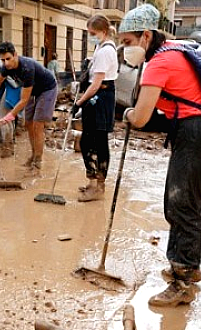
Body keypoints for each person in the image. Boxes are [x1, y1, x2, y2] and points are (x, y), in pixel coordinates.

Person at [120, 4, 201, 307]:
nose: (125, 49)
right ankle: (182, 265)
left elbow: (140, 118)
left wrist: (127, 113)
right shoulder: (174, 52)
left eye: (128, 42)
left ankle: (184, 281)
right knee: (177, 203)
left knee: (182, 208)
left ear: (146, 36)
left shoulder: (159, 63)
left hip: (195, 136)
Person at [0, 41, 58, 170]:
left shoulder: (27, 68)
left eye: (8, 58)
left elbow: (23, 100)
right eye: (3, 60)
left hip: (47, 89)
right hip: (31, 90)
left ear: (15, 55)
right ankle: (33, 155)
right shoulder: (5, 67)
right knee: (28, 124)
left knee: (37, 125)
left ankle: (38, 161)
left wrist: (9, 116)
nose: (6, 63)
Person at [74, 15, 118, 202]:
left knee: (97, 143)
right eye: (89, 33)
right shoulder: (100, 48)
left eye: (93, 33)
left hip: (100, 98)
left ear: (104, 32)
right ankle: (92, 182)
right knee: (87, 141)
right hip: (96, 96)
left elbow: (97, 84)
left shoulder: (106, 51)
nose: (90, 36)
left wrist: (79, 102)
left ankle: (99, 187)